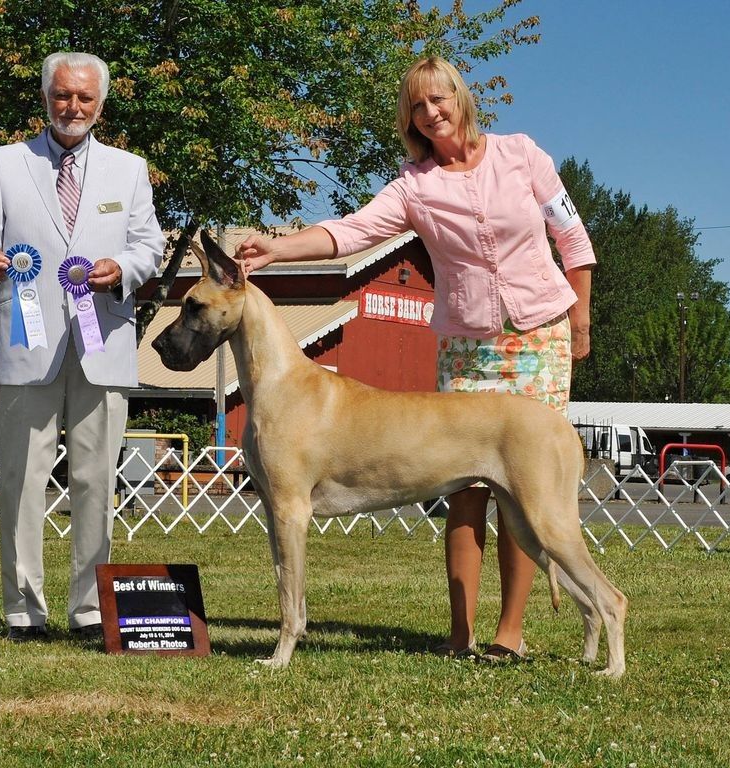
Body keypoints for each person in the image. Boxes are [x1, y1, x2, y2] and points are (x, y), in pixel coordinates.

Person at [236, 55, 595, 662]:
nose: (431, 113)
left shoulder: (522, 154)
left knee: (523, 488)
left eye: (439, 99)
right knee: (463, 486)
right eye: (417, 106)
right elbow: (350, 232)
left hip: (539, 335)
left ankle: (509, 633)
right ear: (409, 119)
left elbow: (573, 237)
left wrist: (580, 316)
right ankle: (460, 632)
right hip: (467, 345)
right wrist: (279, 247)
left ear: (461, 98)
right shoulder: (414, 186)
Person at [0, 51, 165, 642]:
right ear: (46, 97)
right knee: (23, 480)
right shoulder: (4, 164)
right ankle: (24, 610)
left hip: (105, 342)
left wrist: (122, 268)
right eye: (62, 95)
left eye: (85, 97)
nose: (73, 107)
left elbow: (148, 246)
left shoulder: (130, 169)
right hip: (27, 343)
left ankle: (91, 610)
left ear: (101, 103)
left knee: (97, 482)